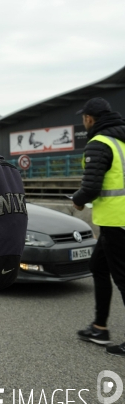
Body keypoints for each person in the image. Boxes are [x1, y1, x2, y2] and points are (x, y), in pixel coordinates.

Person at [73, 97, 125, 357]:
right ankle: (99, 327)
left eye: (84, 118)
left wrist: (78, 200)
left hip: (118, 222)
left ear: (89, 119)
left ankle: (102, 328)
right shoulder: (122, 141)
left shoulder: (99, 143)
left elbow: (92, 186)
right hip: (113, 223)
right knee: (97, 267)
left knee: (123, 279)